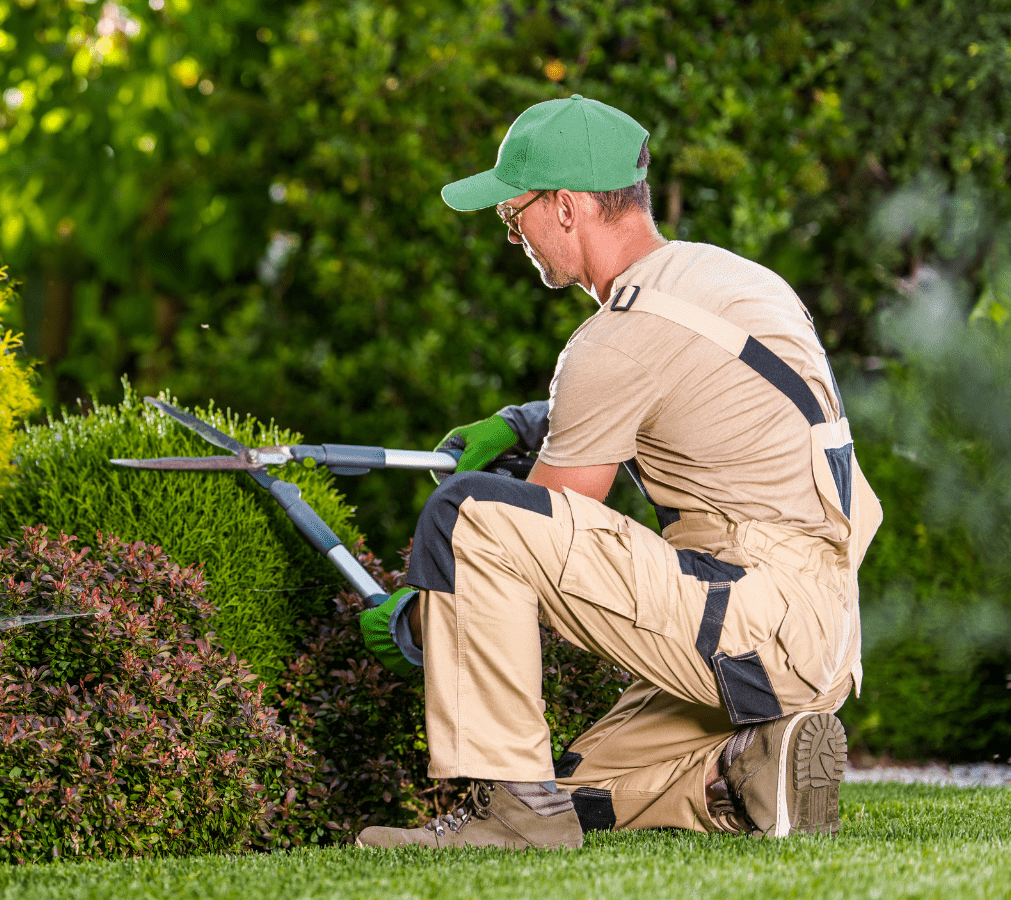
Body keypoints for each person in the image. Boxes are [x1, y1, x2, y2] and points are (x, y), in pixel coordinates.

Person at [353, 95, 882, 850]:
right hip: (817, 633)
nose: (512, 233)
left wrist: (419, 619)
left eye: (514, 213)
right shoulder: (726, 280)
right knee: (573, 787)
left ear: (565, 208)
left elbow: (537, 541)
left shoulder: (616, 337)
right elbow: (687, 393)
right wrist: (525, 421)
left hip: (752, 624)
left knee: (468, 515)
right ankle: (742, 768)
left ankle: (516, 819)